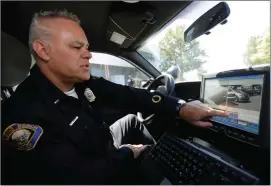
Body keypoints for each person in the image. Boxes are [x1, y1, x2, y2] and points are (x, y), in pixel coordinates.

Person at [2, 10, 226, 185]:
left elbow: (126, 95)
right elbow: (80, 178)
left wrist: (179, 107)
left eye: (87, 47)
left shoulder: (80, 83)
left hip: (102, 145)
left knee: (132, 120)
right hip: (97, 170)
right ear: (43, 51)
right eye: (77, 46)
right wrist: (128, 153)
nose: (88, 54)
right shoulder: (23, 116)